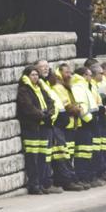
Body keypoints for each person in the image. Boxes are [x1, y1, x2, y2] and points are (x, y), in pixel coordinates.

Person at [40, 61, 76, 190]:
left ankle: (67, 179)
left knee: (63, 154)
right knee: (60, 154)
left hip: (59, 124)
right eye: (42, 67)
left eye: (47, 67)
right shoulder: (44, 85)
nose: (46, 69)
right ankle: (64, 181)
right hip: (53, 124)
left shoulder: (48, 84)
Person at [17, 66, 51, 195]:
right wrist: (42, 115)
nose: (35, 77)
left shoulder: (40, 88)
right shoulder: (24, 90)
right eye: (32, 75)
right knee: (33, 158)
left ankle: (41, 183)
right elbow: (28, 107)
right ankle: (34, 185)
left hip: (43, 127)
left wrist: (49, 113)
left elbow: (50, 101)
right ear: (27, 76)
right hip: (31, 128)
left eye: (37, 74)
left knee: (43, 157)